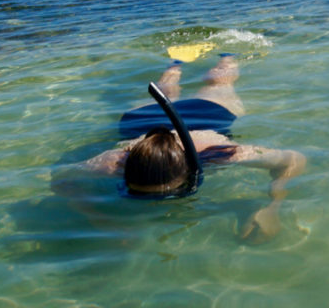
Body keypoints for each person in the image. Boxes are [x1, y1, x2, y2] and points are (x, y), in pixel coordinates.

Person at [52, 56, 306, 242]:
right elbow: (61, 179)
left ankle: (226, 55)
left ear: (188, 172)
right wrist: (102, 221)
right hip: (144, 121)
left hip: (206, 117)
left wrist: (274, 206)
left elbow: (294, 160)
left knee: (220, 83)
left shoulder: (219, 154)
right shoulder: (112, 162)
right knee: (164, 90)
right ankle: (175, 62)